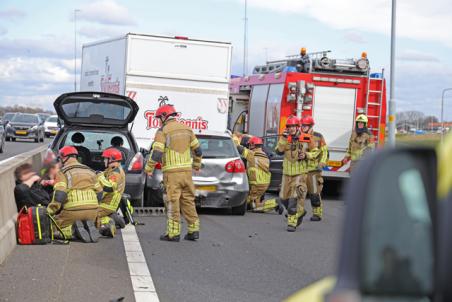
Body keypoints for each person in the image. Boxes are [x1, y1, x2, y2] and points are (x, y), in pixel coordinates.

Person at [145, 104, 203, 242]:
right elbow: (198, 150)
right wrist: (196, 164)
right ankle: (193, 230)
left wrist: (148, 168)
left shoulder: (163, 131)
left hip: (172, 174)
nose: (159, 121)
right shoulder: (188, 129)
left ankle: (173, 233)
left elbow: (157, 153)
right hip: (187, 173)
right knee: (188, 200)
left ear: (165, 116)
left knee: (172, 201)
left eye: (159, 118)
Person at [47, 146, 103, 242]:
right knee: (88, 220)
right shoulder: (90, 171)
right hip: (92, 211)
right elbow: (100, 193)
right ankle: (89, 227)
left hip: (73, 211)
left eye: (59, 159)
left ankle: (73, 231)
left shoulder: (62, 172)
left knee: (50, 228)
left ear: (63, 158)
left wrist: (49, 211)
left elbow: (60, 195)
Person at [276, 116, 311, 232]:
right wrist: (283, 138)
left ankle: (292, 223)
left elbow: (316, 152)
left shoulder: (306, 138)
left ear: (297, 127)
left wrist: (306, 155)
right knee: (283, 199)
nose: (291, 129)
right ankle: (299, 212)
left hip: (299, 174)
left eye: (293, 126)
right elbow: (278, 151)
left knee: (293, 199)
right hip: (286, 173)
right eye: (289, 127)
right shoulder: (285, 138)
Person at [236, 136, 282, 214]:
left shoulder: (252, 154)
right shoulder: (264, 155)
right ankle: (258, 202)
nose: (249, 146)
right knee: (249, 202)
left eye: (250, 145)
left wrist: (233, 142)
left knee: (254, 207)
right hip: (263, 184)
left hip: (257, 185)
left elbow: (241, 149)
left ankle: (275, 203)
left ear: (253, 145)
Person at [300, 116, 328, 221]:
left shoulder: (318, 136)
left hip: (314, 170)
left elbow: (324, 151)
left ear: (311, 126)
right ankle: (298, 212)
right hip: (301, 169)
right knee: (299, 192)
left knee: (314, 193)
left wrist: (322, 162)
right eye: (302, 125)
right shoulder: (299, 136)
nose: (303, 127)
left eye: (305, 126)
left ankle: (317, 213)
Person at [97, 148, 126, 237]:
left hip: (107, 205)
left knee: (88, 216)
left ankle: (108, 223)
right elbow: (104, 174)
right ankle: (112, 217)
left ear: (111, 159)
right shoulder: (112, 170)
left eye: (106, 158)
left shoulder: (115, 173)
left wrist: (100, 177)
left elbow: (110, 187)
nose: (104, 160)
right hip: (107, 203)